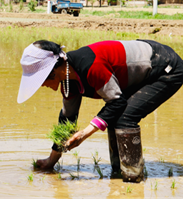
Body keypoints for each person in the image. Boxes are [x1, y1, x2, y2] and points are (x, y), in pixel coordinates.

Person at [18, 39, 183, 182]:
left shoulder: (92, 66)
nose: (41, 85)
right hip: (140, 69)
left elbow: (117, 102)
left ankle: (133, 178)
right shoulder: (68, 82)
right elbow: (67, 120)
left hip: (165, 67)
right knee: (114, 117)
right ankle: (119, 176)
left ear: (54, 70)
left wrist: (85, 133)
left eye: (41, 79)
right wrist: (51, 161)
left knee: (124, 118)